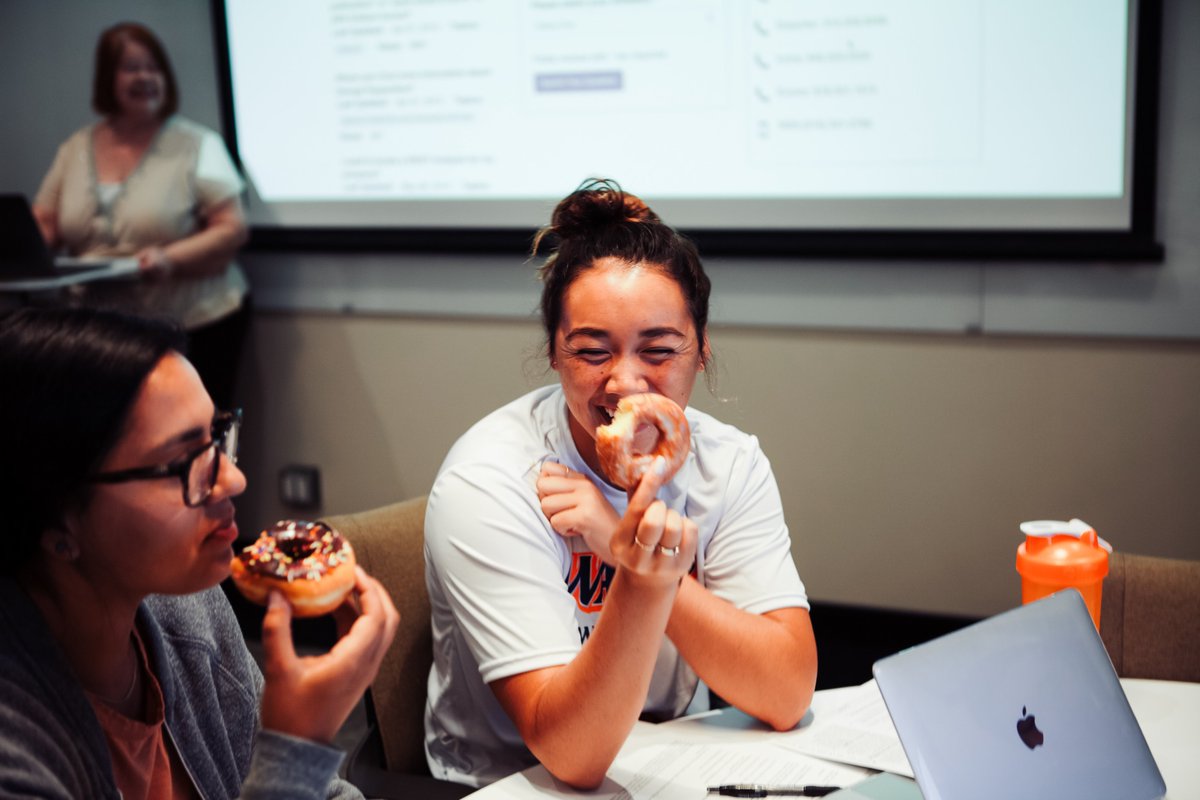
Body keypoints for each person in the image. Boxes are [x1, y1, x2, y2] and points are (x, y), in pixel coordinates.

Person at [423, 179, 818, 788]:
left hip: (668, 763)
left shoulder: (727, 464)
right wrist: (642, 576)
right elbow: (571, 754)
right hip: (514, 781)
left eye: (658, 350)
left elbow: (787, 692)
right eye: (592, 352)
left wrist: (619, 547)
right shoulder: (493, 481)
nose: (625, 383)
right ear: (554, 353)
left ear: (702, 350)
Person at [0, 306, 399, 799]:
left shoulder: (188, 607)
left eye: (216, 439)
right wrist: (298, 744)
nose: (234, 479)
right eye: (182, 463)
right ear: (56, 519)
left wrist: (300, 753)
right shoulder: (16, 746)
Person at [32, 22, 250, 409]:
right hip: (101, 334)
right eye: (132, 68)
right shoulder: (76, 148)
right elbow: (43, 223)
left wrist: (170, 258)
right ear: (107, 79)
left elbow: (232, 228)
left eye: (154, 68)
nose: (146, 78)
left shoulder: (197, 144)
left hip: (191, 326)